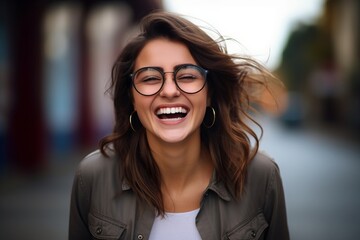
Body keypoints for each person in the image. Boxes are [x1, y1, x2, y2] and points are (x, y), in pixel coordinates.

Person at [69, 11, 289, 240]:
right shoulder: (93, 177)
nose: (170, 91)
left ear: (210, 93)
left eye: (186, 76)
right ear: (132, 97)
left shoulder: (261, 177)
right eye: (150, 78)